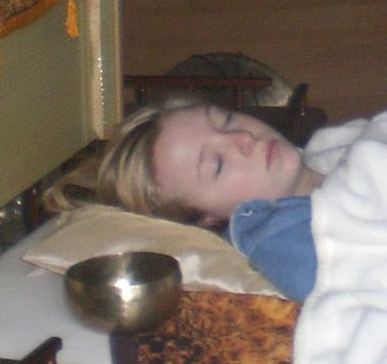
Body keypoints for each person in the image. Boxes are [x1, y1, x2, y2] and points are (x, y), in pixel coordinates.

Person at [95, 94, 326, 299]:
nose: (244, 137)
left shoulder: (332, 150)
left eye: (227, 120)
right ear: (208, 219)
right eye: (217, 165)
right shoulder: (285, 242)